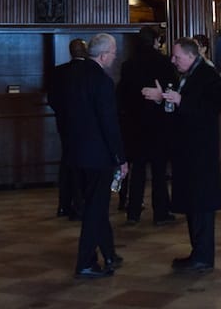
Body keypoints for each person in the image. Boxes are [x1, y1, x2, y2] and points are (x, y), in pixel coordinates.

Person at [141, 37, 221, 272]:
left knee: (202, 206)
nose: (173, 60)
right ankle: (197, 252)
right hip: (188, 151)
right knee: (193, 204)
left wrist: (180, 100)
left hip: (201, 153)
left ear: (190, 55)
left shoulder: (208, 76)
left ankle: (203, 256)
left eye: (176, 56)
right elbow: (179, 108)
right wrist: (162, 99)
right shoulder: (187, 76)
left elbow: (210, 111)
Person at [54, 33, 127, 278]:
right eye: (114, 52)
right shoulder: (102, 81)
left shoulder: (69, 76)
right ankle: (85, 262)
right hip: (98, 156)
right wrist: (120, 156)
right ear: (104, 55)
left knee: (96, 205)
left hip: (75, 152)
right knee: (96, 209)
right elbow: (109, 123)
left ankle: (109, 253)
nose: (115, 57)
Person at [115, 27, 175, 226]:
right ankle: (161, 213)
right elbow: (172, 89)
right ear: (156, 41)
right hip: (158, 123)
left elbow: (122, 96)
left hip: (135, 125)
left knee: (137, 169)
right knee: (159, 170)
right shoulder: (164, 62)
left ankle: (133, 212)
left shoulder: (128, 65)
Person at [47, 38, 88, 220]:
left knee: (67, 163)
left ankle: (64, 204)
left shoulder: (59, 72)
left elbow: (52, 99)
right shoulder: (90, 71)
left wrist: (63, 115)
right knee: (81, 165)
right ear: (84, 51)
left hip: (64, 125)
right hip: (86, 127)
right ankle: (80, 205)